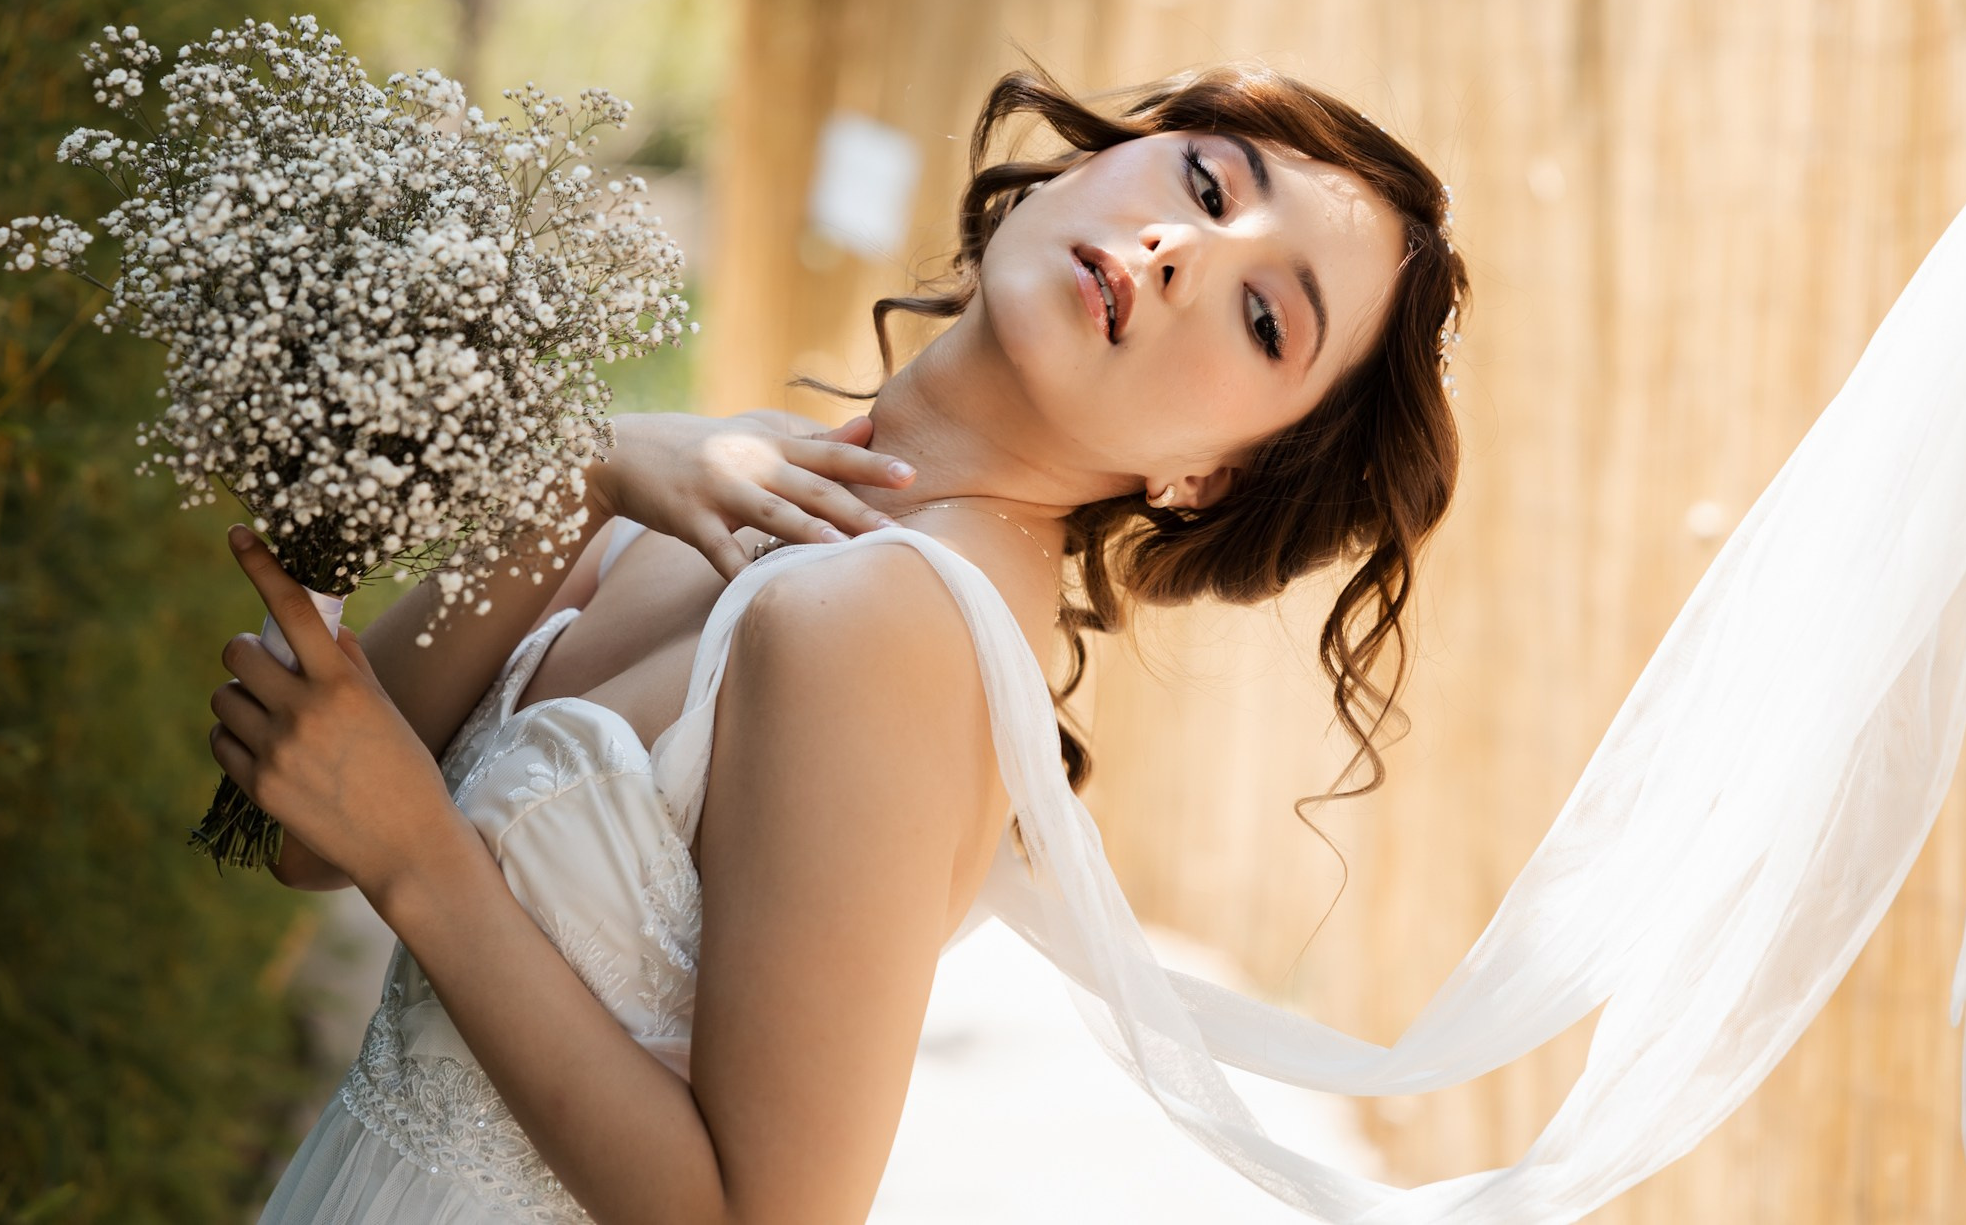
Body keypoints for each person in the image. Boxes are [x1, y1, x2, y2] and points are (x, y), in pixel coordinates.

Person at [219, 62, 1466, 1224]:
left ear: (1208, 479)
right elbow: (310, 819)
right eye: (1204, 181)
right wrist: (585, 465)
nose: (1181, 249)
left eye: (1263, 319)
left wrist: (423, 866)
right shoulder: (731, 483)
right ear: (1079, 167)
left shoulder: (887, 620)